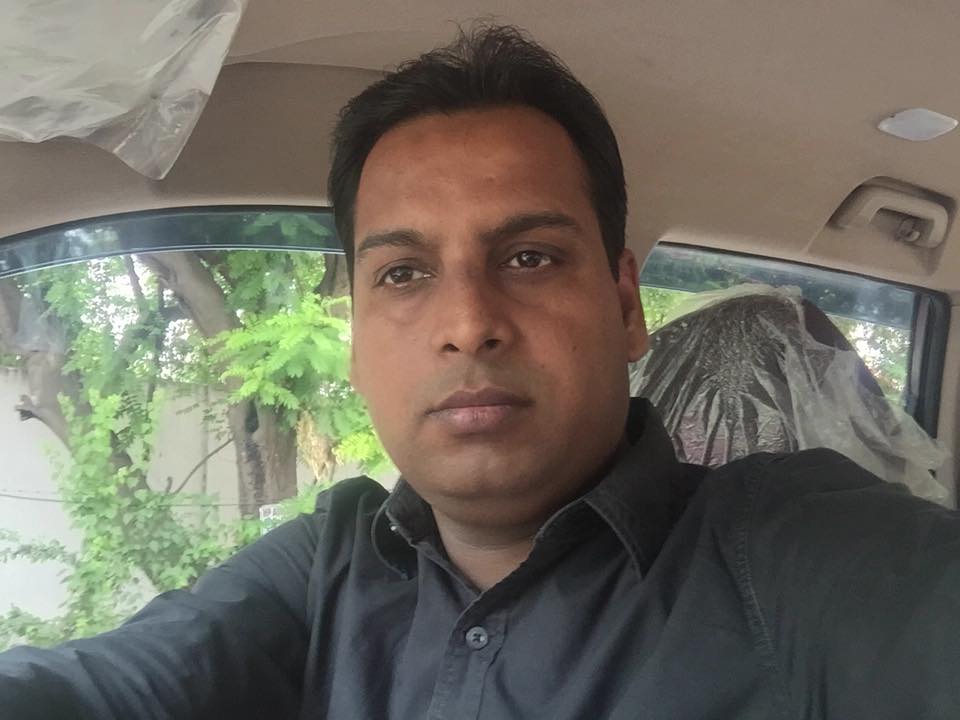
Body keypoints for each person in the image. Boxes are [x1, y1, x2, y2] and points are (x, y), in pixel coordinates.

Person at [1, 23, 959, 720]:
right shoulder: (324, 568)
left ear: (626, 307)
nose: (467, 324)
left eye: (530, 257)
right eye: (404, 273)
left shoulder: (797, 555)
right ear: (357, 341)